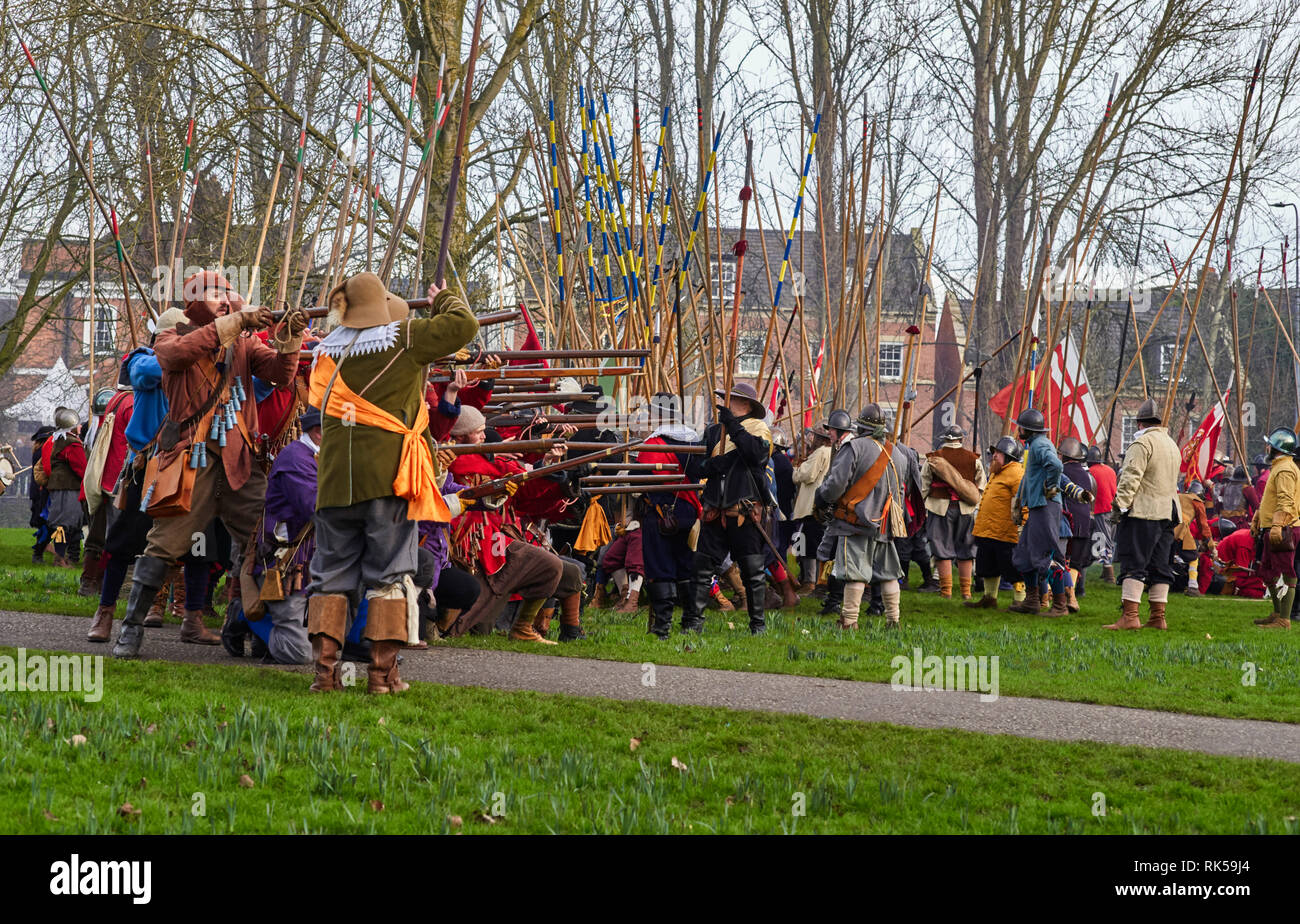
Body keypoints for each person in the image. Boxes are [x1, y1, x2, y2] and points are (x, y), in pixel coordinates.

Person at [112, 271, 307, 659]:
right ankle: (130, 628)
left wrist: (290, 338)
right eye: (215, 294)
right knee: (163, 546)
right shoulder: (174, 335)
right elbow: (174, 356)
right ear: (195, 301)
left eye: (226, 293)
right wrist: (233, 323)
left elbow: (281, 376)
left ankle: (249, 626)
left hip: (240, 462)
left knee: (267, 541)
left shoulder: (244, 344)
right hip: (189, 461)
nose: (224, 299)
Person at [305, 272, 479, 691]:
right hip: (387, 479)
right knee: (388, 577)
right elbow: (464, 326)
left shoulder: (326, 351)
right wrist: (445, 299)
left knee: (330, 577)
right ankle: (382, 677)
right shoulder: (400, 339)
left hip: (333, 484)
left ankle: (325, 675)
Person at [814, 403, 917, 629]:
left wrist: (821, 496)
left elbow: (836, 484)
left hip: (855, 523)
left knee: (855, 574)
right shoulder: (898, 454)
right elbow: (900, 493)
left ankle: (849, 621)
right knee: (889, 574)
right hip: (884, 526)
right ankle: (893, 620)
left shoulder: (854, 448)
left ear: (860, 426)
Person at [690, 383, 774, 635]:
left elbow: (756, 456)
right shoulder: (716, 431)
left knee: (752, 572)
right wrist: (714, 465)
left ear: (747, 406)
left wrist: (734, 428)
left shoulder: (758, 429)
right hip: (715, 509)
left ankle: (757, 625)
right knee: (702, 569)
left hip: (744, 511)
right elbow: (698, 466)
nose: (726, 404)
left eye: (732, 400)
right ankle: (693, 622)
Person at [1105, 398, 1181, 631]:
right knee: (1160, 566)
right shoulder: (1171, 445)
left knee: (1133, 564)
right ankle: (1158, 617)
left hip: (1143, 513)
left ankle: (1130, 616)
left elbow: (1130, 478)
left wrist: (1119, 508)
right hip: (1168, 513)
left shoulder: (1142, 444)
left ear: (1140, 423)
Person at [920, 424, 985, 600]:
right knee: (967, 549)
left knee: (942, 549)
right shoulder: (974, 459)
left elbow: (923, 486)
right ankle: (966, 592)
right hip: (966, 510)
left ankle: (946, 592)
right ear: (960, 439)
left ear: (945, 440)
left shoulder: (933, 458)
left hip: (939, 508)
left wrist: (925, 504)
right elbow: (981, 487)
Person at [79, 386, 132, 596]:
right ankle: (91, 581)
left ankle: (96, 582)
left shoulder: (101, 426)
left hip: (98, 486)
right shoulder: (101, 429)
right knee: (100, 536)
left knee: (100, 535)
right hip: (104, 486)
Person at [965, 436, 1025, 609]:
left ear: (1009, 457)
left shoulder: (1016, 473)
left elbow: (1022, 502)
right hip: (989, 531)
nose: (994, 456)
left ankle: (1020, 600)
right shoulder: (997, 471)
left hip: (1005, 532)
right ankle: (989, 598)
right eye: (995, 452)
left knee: (1012, 568)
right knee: (987, 565)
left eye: (999, 453)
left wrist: (1023, 526)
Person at [1250, 427, 1300, 629]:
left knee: (1287, 574)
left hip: (1285, 527)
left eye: (1270, 444)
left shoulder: (1286, 469)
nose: (1267, 447)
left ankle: (1284, 619)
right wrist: (1258, 518)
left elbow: (1285, 501)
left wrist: (1278, 525)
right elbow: (1269, 500)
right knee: (1269, 572)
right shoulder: (1279, 467)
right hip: (1274, 525)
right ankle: (1277, 612)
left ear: (1277, 448)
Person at [41, 406, 87, 567]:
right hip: (68, 488)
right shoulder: (71, 444)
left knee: (64, 524)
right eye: (78, 424)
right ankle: (60, 558)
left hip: (60, 488)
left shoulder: (58, 440)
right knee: (65, 524)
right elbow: (81, 467)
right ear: (72, 426)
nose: (80, 427)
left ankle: (64, 557)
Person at [790, 425, 832, 592]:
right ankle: (813, 580)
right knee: (813, 543)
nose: (811, 439)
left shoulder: (821, 452)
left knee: (810, 545)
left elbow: (807, 475)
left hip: (812, 506)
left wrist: (795, 470)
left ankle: (810, 582)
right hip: (820, 504)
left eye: (814, 437)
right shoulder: (832, 452)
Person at [1058, 437, 1095, 608]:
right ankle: (1071, 596)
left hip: (1066, 522)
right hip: (1084, 523)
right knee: (1075, 563)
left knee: (1061, 560)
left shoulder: (1060, 472)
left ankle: (1063, 595)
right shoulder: (1087, 475)